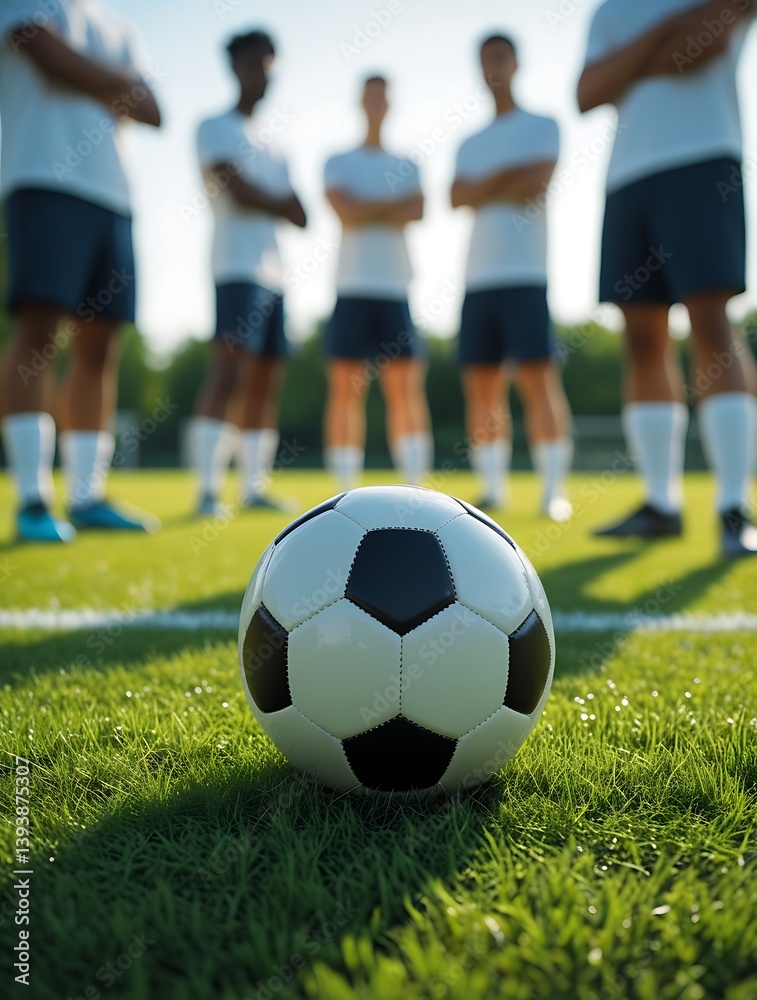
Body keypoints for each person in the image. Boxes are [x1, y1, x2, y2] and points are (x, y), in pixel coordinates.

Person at [578, 0, 757, 556]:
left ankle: (733, 505)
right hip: (628, 178)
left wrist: (630, 64)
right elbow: (588, 92)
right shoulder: (609, 10)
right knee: (640, 337)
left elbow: (700, 47)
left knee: (710, 320)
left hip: (703, 162)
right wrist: (659, 37)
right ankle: (661, 503)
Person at [0, 0, 162, 542]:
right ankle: (32, 499)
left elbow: (152, 108)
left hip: (113, 197)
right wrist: (117, 84)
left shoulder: (122, 26)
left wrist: (91, 74)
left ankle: (87, 496)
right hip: (43, 179)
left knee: (101, 347)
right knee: (39, 334)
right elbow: (49, 58)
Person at [451, 34, 573, 520]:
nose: (493, 68)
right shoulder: (469, 141)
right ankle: (493, 489)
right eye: (485, 60)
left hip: (526, 276)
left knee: (538, 380)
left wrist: (488, 184)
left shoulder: (543, 124)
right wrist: (506, 178)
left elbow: (535, 184)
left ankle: (552, 491)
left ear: (516, 62)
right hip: (478, 280)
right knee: (481, 385)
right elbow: (458, 195)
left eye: (500, 57)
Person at [191, 30, 306, 516]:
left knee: (266, 380)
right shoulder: (214, 126)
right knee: (230, 373)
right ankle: (207, 490)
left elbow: (301, 213)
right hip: (235, 268)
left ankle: (253, 486)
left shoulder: (276, 145)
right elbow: (236, 190)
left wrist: (267, 196)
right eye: (252, 64)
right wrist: (271, 198)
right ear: (235, 68)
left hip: (275, 275)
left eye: (267, 65)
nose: (261, 74)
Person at [323, 75, 433, 491]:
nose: (375, 103)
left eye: (381, 96)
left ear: (389, 103)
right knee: (345, 391)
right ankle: (342, 490)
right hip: (351, 288)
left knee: (405, 390)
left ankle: (415, 488)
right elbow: (343, 211)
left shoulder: (408, 164)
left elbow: (417, 209)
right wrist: (390, 207)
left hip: (394, 288)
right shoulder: (338, 159)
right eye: (369, 95)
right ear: (360, 102)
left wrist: (363, 206)